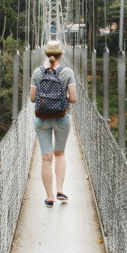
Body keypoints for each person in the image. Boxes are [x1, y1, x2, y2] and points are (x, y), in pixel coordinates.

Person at [30, 40, 77, 208]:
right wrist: (59, 100)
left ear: (46, 54)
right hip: (62, 118)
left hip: (41, 119)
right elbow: (73, 99)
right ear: (61, 55)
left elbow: (32, 98)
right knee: (59, 154)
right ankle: (60, 190)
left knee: (46, 158)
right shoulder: (67, 72)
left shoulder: (37, 72)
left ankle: (49, 197)